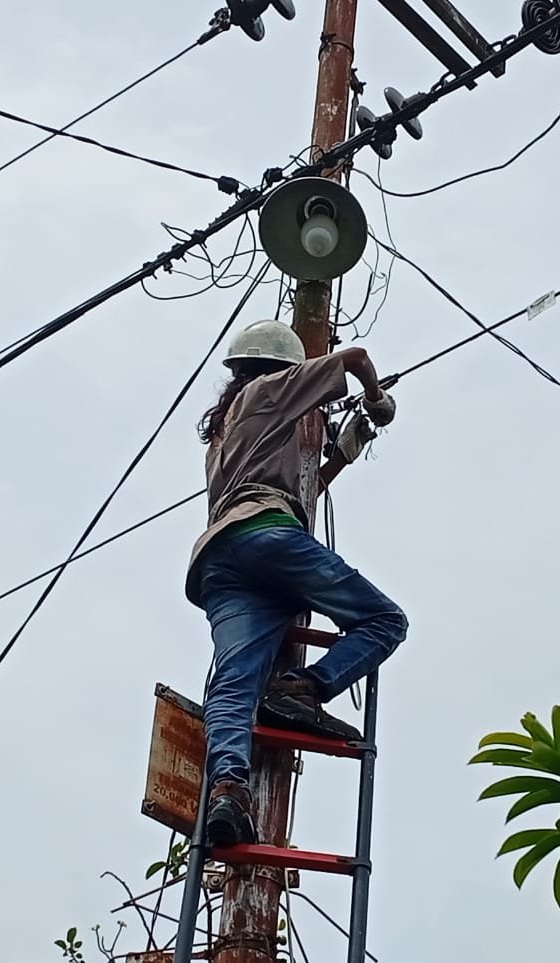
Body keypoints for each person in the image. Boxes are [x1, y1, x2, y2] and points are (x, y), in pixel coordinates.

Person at [185, 319, 409, 848]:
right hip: (267, 537)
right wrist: (376, 401)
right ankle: (303, 689)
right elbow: (355, 359)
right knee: (385, 620)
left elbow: (298, 490)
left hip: (222, 561)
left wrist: (342, 453)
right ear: (282, 368)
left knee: (234, 683)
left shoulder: (224, 434)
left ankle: (228, 791)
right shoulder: (269, 390)